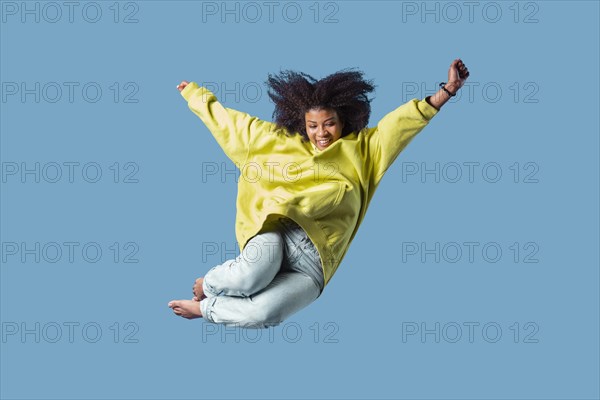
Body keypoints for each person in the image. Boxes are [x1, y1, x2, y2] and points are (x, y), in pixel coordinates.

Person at [169, 59, 470, 328]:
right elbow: (230, 125)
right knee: (252, 276)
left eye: (329, 124)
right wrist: (195, 95)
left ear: (343, 121)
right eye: (312, 126)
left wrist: (448, 90)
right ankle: (208, 283)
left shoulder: (365, 152)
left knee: (265, 314)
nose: (321, 133)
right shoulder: (274, 141)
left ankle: (205, 308)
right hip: (279, 231)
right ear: (302, 123)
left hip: (316, 265)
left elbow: (399, 126)